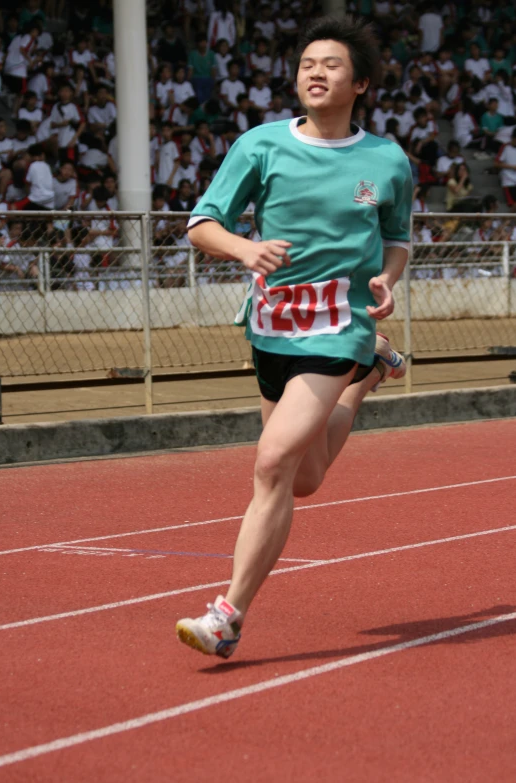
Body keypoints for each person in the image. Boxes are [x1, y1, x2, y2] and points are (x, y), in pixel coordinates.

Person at [175, 16, 412, 659]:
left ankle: (227, 614)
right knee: (303, 479)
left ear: (359, 83)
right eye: (308, 63)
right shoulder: (260, 146)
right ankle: (368, 378)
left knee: (273, 463)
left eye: (331, 64)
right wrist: (245, 249)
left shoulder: (386, 160)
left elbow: (397, 239)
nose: (315, 72)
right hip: (272, 327)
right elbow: (202, 223)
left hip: (339, 326)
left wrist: (388, 280)